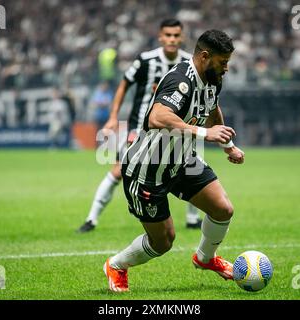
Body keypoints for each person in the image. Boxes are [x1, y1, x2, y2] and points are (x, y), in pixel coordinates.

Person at [103, 29, 245, 292]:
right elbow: (158, 117)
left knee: (223, 209)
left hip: (182, 163)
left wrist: (228, 145)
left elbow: (212, 108)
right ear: (204, 56)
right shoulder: (180, 80)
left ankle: (205, 259)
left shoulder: (212, 78)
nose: (226, 68)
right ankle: (117, 264)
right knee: (164, 242)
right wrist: (205, 133)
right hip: (149, 168)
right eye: (223, 62)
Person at [77, 19, 202, 233]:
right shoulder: (146, 60)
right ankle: (91, 219)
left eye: (176, 35)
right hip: (141, 129)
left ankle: (192, 218)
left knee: (193, 167)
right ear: (160, 37)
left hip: (176, 130)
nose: (172, 39)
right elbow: (124, 84)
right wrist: (113, 116)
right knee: (119, 171)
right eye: (168, 35)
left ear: (182, 37)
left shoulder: (189, 63)